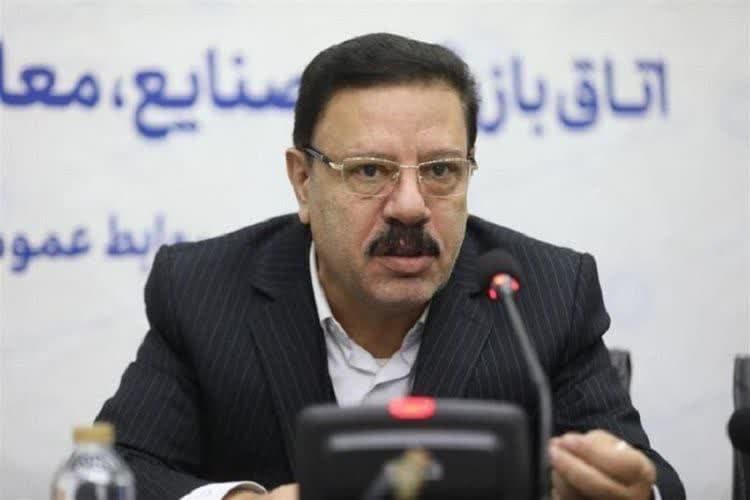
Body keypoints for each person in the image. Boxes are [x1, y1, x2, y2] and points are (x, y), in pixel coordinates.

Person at [97, 33, 685, 500]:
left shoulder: (543, 294)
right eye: (370, 171)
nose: (409, 206)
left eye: (440, 170)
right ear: (303, 181)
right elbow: (117, 469)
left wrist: (630, 491)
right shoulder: (204, 291)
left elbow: (649, 477)